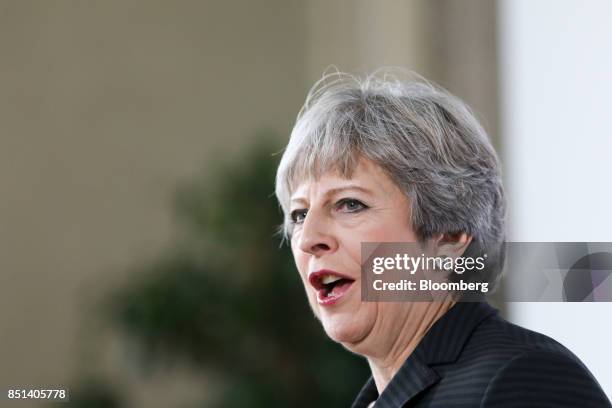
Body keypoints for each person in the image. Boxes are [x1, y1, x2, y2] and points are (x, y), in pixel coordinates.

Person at [274, 69, 611, 407]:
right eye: (299, 214)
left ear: (448, 234)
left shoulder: (525, 380)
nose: (308, 239)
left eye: (350, 204)